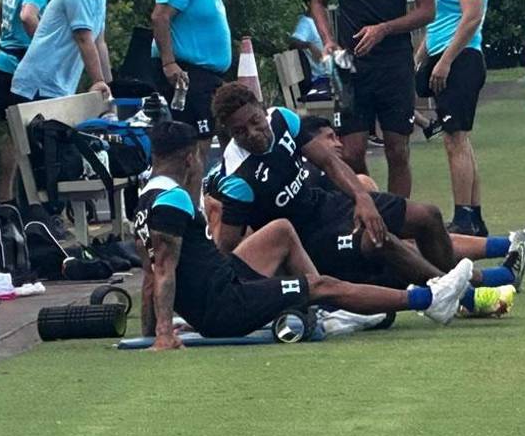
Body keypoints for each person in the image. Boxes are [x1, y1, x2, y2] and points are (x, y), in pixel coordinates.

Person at [209, 83, 525, 317]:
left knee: (427, 216)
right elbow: (227, 248)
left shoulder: (282, 119)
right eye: (241, 131)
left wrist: (362, 197)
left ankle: (474, 285)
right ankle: (469, 295)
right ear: (230, 134)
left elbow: (329, 161)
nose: (253, 133)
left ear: (262, 108)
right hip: (308, 239)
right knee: (379, 238)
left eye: (255, 121)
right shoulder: (238, 177)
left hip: (327, 205)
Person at [135, 121, 474, 349]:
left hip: (223, 282)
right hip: (225, 304)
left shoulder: (148, 195)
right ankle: (429, 300)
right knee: (320, 284)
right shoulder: (174, 198)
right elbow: (163, 269)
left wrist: (149, 332)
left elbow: (150, 272)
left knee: (280, 230)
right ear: (191, 156)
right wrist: (163, 334)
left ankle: (329, 311)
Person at [310, 0, 435, 198]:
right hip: (348, 65)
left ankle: (398, 219)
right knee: (350, 153)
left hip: (393, 63)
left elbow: (426, 10)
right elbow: (318, 1)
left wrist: (384, 29)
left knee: (397, 150)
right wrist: (327, 39)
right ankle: (367, 209)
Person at [414, 0, 490, 236]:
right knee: (457, 137)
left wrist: (445, 61)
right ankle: (473, 215)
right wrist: (420, 55)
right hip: (441, 52)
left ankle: (463, 216)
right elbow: (438, 19)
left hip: (461, 58)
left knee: (454, 139)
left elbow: (471, 17)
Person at [0, 0, 76, 203]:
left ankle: (6, 198)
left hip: (2, 63)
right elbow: (28, 16)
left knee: (12, 136)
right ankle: (34, 201)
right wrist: (44, 48)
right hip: (22, 69)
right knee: (37, 136)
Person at [151, 0, 231, 167]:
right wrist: (169, 63)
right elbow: (160, 16)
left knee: (204, 147)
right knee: (193, 149)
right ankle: (187, 202)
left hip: (206, 75)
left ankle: (199, 199)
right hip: (188, 73)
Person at [10, 0, 114, 102]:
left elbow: (99, 42)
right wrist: (98, 81)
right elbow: (83, 38)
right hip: (39, 84)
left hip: (59, 86)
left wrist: (110, 86)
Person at [288, 0, 331, 101]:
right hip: (320, 80)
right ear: (309, 3)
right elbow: (293, 42)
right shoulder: (306, 23)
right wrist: (310, 46)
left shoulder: (320, 22)